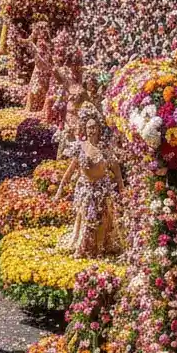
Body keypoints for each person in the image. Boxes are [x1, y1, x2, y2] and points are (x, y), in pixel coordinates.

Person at [55, 104, 125, 260]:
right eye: (89, 128)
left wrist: (122, 190)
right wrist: (60, 190)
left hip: (102, 190)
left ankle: (100, 249)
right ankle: (85, 247)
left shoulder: (105, 149)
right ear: (85, 130)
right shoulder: (80, 147)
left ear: (99, 129)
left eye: (94, 127)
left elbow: (117, 170)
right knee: (88, 218)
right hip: (86, 191)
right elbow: (70, 171)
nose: (92, 130)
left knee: (103, 220)